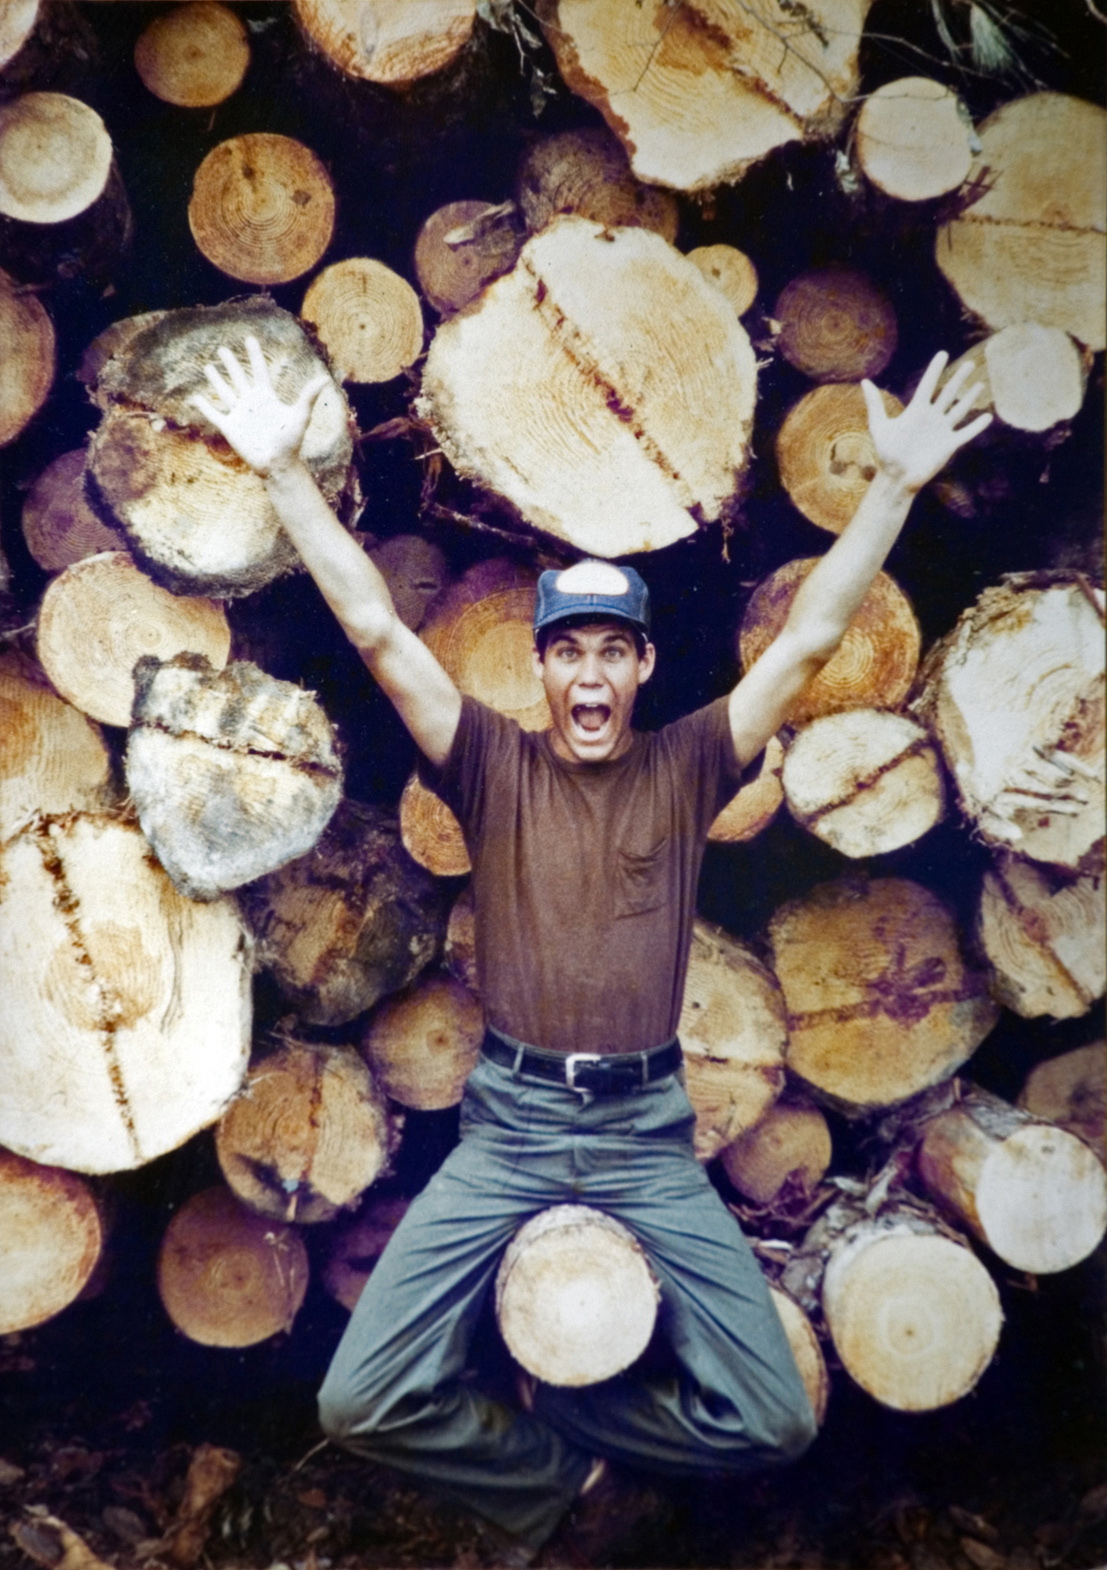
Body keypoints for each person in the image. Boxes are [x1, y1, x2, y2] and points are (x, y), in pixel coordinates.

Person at [191, 340, 991, 1558]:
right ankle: (549, 1480)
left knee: (773, 1415)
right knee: (355, 1400)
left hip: (643, 1134)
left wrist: (891, 487)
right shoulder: (490, 765)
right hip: (508, 1126)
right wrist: (287, 473)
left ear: (644, 665)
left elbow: (810, 639)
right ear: (543, 663)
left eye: (615, 649)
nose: (592, 673)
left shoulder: (687, 765)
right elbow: (377, 629)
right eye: (571, 649)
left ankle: (587, 1414)